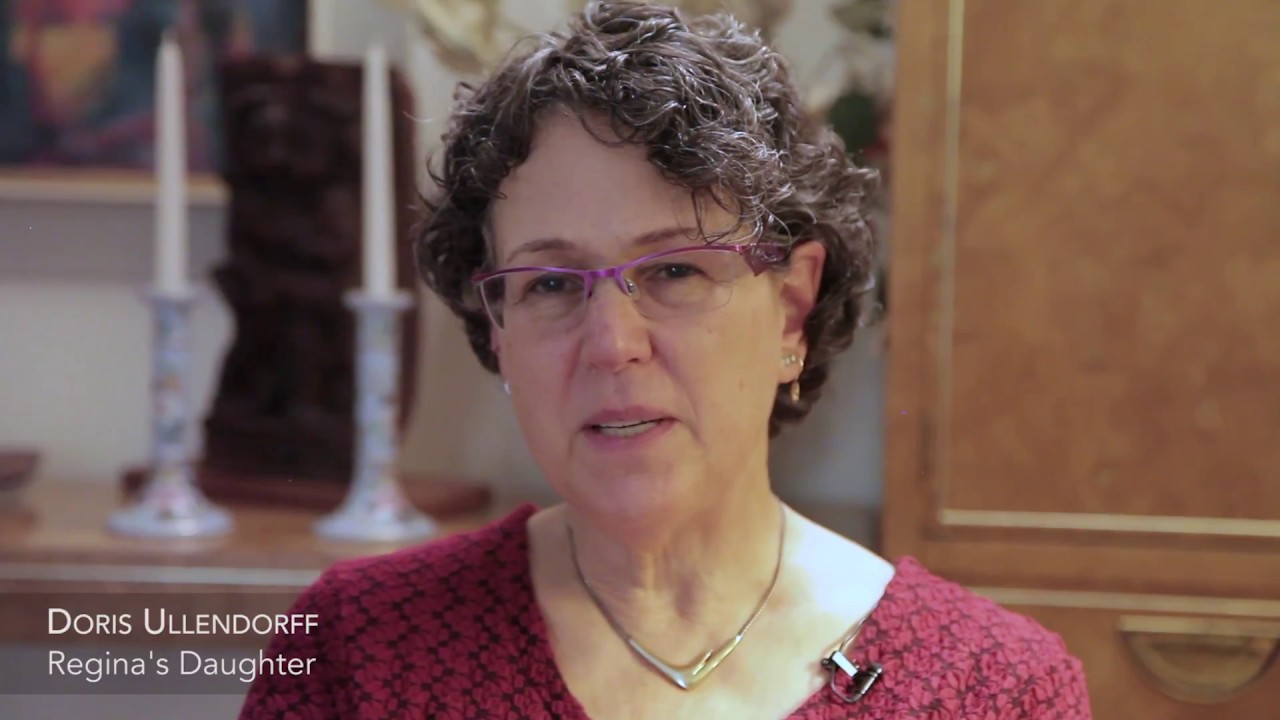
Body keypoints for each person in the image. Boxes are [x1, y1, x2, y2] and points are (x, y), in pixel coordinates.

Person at [238, 2, 1091, 718]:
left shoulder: (994, 689)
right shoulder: (356, 650)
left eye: (676, 271)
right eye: (550, 284)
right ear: (496, 330)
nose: (613, 345)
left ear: (792, 308)